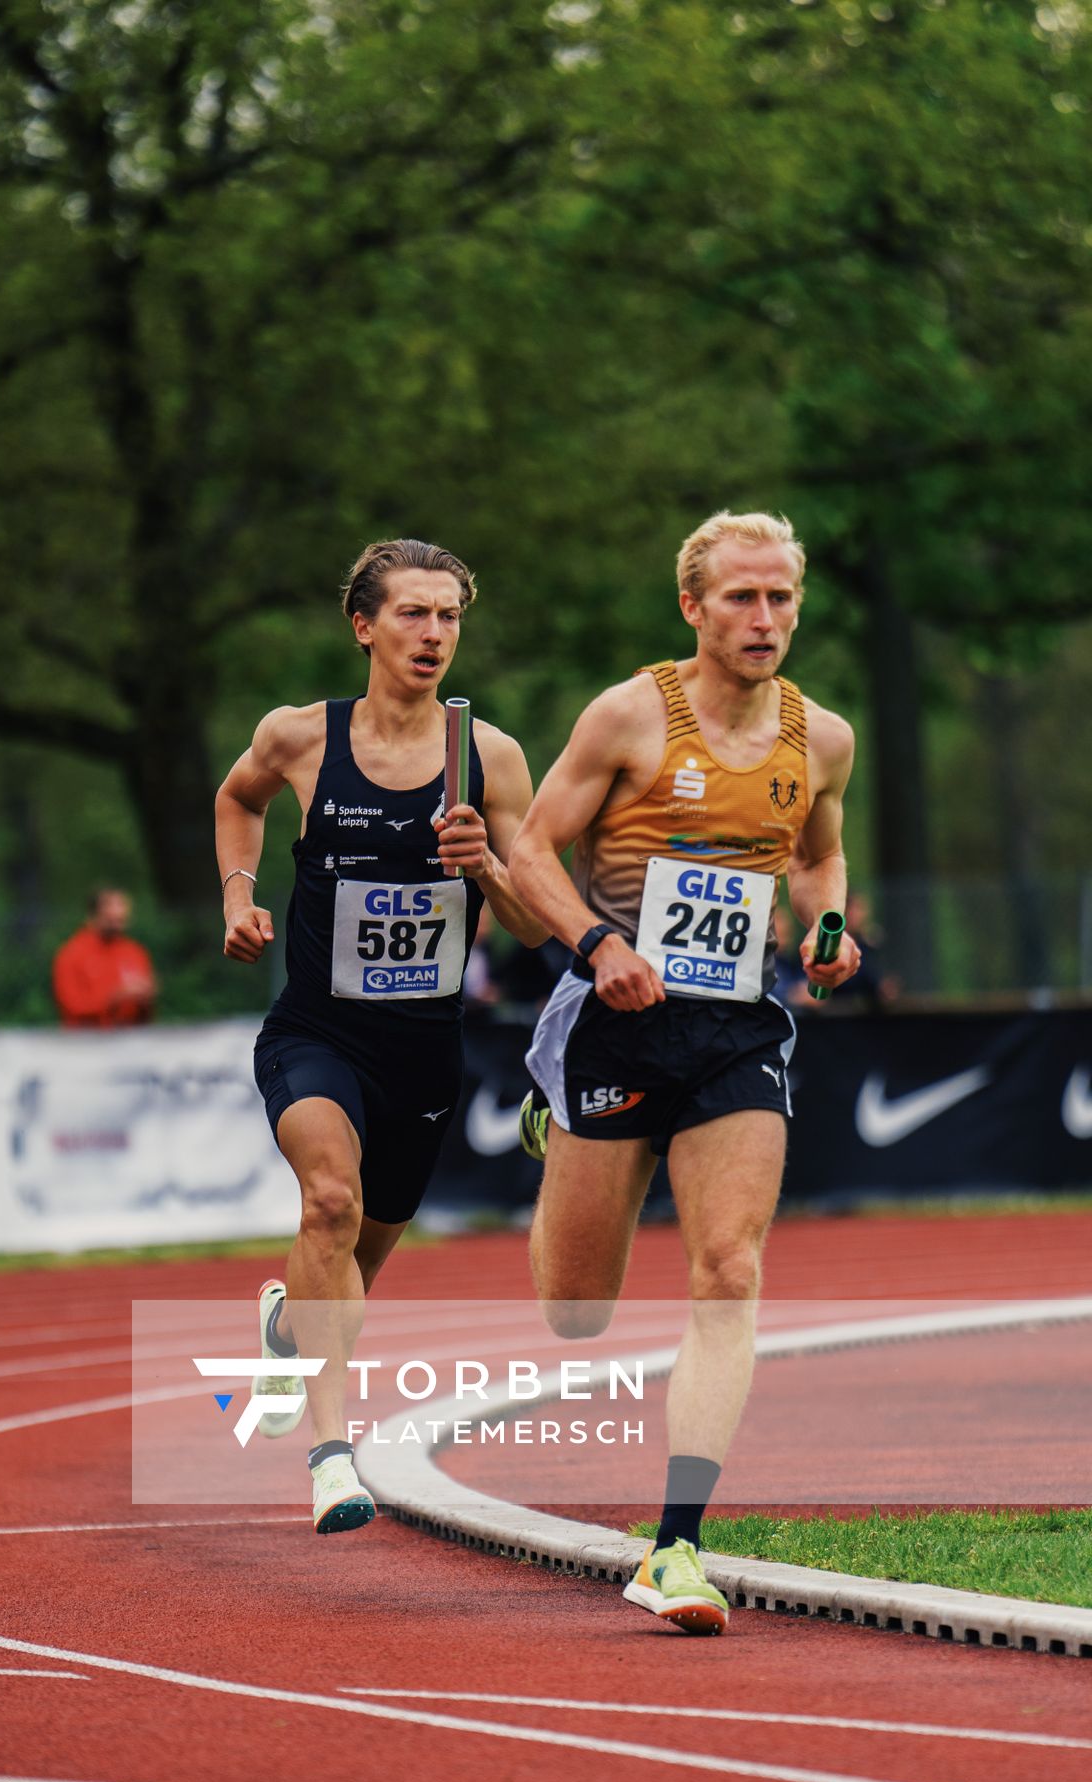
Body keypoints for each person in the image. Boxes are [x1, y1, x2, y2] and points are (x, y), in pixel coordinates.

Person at [509, 510, 860, 1634]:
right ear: (692, 608)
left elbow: (817, 857)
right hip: (614, 1022)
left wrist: (830, 929)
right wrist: (596, 947)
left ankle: (674, 1548)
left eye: (779, 597)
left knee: (729, 1268)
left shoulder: (823, 738)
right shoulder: (627, 716)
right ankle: (553, 1122)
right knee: (576, 1313)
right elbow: (528, 848)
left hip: (736, 1029)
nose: (763, 617)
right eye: (740, 597)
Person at [216, 538, 548, 1534]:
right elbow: (237, 798)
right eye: (412, 613)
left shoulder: (490, 758)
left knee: (351, 1270)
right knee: (329, 1202)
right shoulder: (298, 738)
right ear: (363, 626)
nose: (433, 633)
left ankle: (286, 1327)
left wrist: (485, 867)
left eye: (448, 616)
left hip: (423, 1053)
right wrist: (237, 893)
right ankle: (331, 1457)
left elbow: (536, 924)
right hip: (316, 1033)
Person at [52, 888, 157, 1027]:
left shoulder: (135, 952)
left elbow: (146, 1015)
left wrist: (145, 998)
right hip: (88, 1037)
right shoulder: (72, 954)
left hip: (130, 1035)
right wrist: (116, 997)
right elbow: (72, 1007)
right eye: (110, 917)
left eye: (120, 919)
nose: (117, 917)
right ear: (93, 915)